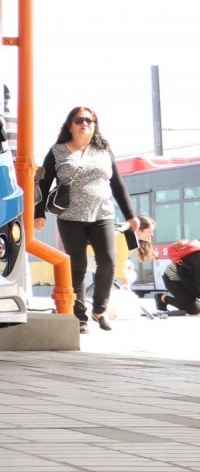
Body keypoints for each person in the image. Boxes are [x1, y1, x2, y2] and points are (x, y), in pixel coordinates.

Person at [32, 106, 139, 334]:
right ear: (69, 125)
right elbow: (43, 183)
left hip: (102, 214)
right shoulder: (57, 151)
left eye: (90, 120)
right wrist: (38, 213)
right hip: (70, 217)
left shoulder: (103, 150)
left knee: (109, 261)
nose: (85, 124)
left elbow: (117, 184)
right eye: (79, 120)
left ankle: (99, 310)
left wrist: (131, 215)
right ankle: (79, 317)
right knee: (77, 266)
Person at [155, 238, 200, 316]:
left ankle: (187, 302)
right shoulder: (198, 259)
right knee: (193, 309)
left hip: (188, 277)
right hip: (173, 278)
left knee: (193, 306)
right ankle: (161, 298)